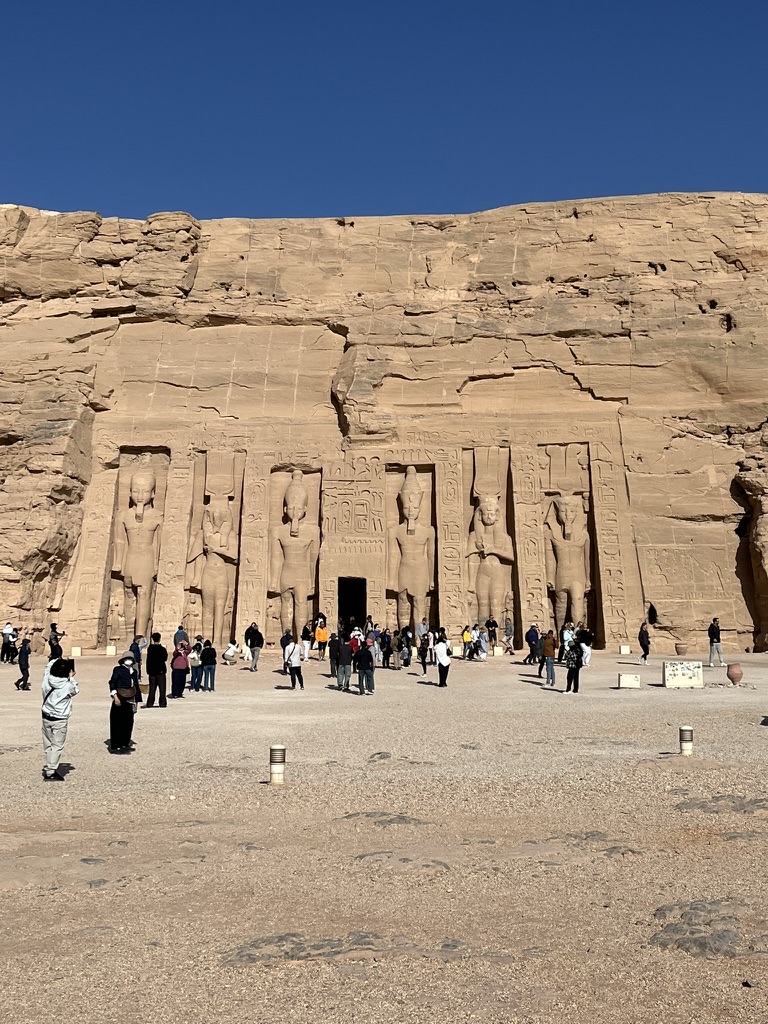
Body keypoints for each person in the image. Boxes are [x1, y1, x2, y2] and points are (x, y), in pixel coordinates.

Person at [40, 657, 78, 781]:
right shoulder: (68, 685)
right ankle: (50, 771)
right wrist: (71, 677)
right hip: (59, 719)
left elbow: (47, 668)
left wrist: (56, 659)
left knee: (48, 743)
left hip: (46, 715)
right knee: (57, 745)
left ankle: (49, 763)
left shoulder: (47, 679)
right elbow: (76, 690)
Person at [108, 652, 141, 753]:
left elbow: (136, 687)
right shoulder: (118, 669)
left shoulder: (134, 672)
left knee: (128, 723)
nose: (128, 660)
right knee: (117, 722)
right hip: (120, 697)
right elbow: (112, 683)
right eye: (127, 658)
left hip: (130, 699)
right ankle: (115, 745)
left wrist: (136, 701)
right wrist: (115, 696)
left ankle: (125, 744)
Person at [145, 632, 168, 708]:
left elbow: (148, 660)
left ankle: (150, 703)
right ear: (159, 639)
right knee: (162, 688)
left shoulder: (150, 649)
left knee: (152, 689)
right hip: (160, 671)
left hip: (152, 671)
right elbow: (165, 658)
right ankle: (162, 703)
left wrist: (148, 670)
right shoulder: (162, 649)